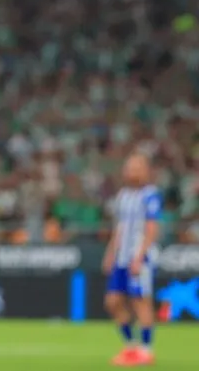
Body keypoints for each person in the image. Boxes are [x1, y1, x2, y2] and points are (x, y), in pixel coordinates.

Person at [102, 153, 162, 367]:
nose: (133, 172)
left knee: (140, 301)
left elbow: (152, 228)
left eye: (137, 168)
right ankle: (131, 346)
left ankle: (146, 350)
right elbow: (120, 228)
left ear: (146, 171)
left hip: (140, 257)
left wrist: (140, 256)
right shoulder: (123, 196)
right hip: (121, 256)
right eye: (130, 168)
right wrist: (110, 253)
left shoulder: (150, 195)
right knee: (113, 301)